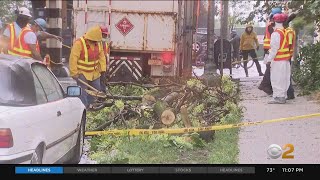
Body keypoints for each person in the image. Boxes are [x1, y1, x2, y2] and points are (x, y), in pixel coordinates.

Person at [69, 25, 106, 108]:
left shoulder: (98, 43)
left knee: (96, 89)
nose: (96, 42)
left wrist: (103, 70)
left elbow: (102, 57)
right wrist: (74, 73)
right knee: (83, 91)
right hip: (82, 72)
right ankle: (83, 108)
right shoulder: (79, 43)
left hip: (94, 72)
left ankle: (91, 106)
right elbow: (73, 58)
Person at [265, 13, 291, 104]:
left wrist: (268, 60)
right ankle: (283, 96)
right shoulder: (286, 31)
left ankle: (279, 97)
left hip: (278, 60)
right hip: (285, 60)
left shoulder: (276, 34)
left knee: (277, 78)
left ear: (274, 21)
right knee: (284, 78)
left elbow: (274, 49)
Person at [258, 7, 282, 95]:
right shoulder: (272, 26)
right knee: (270, 68)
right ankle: (265, 85)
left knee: (270, 68)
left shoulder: (270, 25)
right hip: (269, 49)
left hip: (268, 48)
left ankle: (266, 85)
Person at [100, 26, 112, 93]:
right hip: (98, 67)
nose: (104, 36)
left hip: (103, 66)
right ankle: (101, 94)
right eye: (103, 34)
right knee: (100, 81)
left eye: (105, 34)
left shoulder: (105, 43)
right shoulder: (98, 43)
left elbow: (106, 54)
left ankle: (103, 94)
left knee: (102, 81)